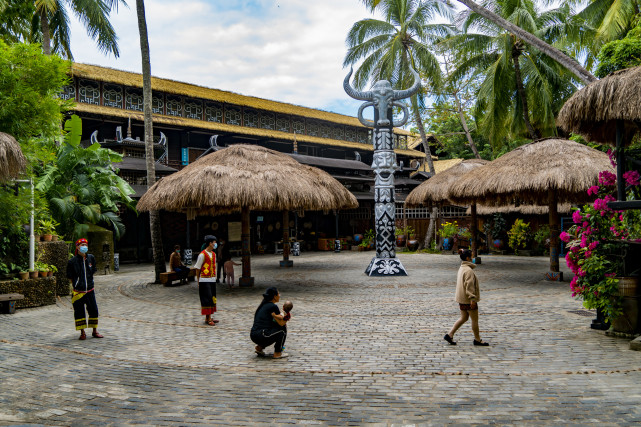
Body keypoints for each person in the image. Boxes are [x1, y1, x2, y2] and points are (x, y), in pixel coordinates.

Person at [444, 249, 490, 346]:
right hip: (468, 299)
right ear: (468, 258)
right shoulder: (468, 270)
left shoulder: (462, 268)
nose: (473, 258)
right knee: (474, 320)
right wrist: (472, 299)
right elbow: (469, 286)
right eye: (472, 256)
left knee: (464, 317)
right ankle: (477, 339)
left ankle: (450, 334)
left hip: (461, 298)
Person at [66, 238, 103, 340]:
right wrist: (76, 285)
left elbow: (92, 271)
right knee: (79, 312)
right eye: (82, 245)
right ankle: (82, 333)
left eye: (85, 245)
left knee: (94, 310)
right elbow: (70, 276)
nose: (84, 247)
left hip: (90, 290)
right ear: (77, 247)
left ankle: (95, 331)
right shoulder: (72, 262)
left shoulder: (91, 258)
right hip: (78, 292)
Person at [251, 287, 289, 359]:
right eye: (278, 294)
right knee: (282, 330)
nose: (279, 295)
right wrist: (286, 317)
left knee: (273, 331)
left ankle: (260, 347)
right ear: (274, 296)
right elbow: (281, 323)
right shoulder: (273, 306)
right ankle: (277, 353)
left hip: (253, 335)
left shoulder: (263, 305)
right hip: (262, 335)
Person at [194, 235, 218, 326]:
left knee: (212, 298)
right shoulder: (202, 255)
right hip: (204, 280)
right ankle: (208, 319)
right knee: (207, 298)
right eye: (214, 242)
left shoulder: (214, 254)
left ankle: (209, 317)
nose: (215, 244)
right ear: (210, 243)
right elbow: (197, 268)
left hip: (212, 279)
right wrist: (198, 280)